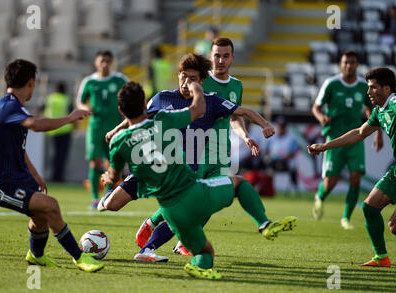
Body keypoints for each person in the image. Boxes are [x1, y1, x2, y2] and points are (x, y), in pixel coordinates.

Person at [101, 53, 296, 262]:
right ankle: (135, 215)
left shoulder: (210, 102)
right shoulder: (162, 98)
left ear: (202, 81)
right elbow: (137, 118)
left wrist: (264, 125)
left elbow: (244, 112)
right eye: (183, 76)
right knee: (111, 205)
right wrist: (116, 129)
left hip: (186, 171)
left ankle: (149, 247)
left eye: (192, 78)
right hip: (153, 168)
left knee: (183, 210)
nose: (186, 82)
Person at [0, 59, 103, 272]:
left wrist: (35, 174)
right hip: (1, 185)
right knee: (51, 206)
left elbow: (18, 148)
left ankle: (36, 256)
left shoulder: (11, 106)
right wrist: (70, 118)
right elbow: (37, 125)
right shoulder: (9, 105)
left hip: (17, 178)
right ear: (31, 83)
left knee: (40, 216)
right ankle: (80, 257)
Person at [308, 67, 396, 268]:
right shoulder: (379, 111)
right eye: (367, 87)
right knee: (372, 209)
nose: (368, 92)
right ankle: (382, 257)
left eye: (373, 87)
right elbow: (358, 133)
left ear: (386, 88)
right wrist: (325, 146)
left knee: (394, 226)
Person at [311, 50, 383, 230]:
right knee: (330, 182)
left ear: (357, 64)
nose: (349, 65)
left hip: (355, 137)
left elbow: (371, 111)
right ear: (340, 64)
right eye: (345, 62)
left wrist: (378, 133)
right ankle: (320, 197)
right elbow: (316, 107)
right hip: (334, 137)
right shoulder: (331, 83)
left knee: (355, 178)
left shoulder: (362, 86)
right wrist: (321, 118)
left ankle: (346, 218)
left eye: (352, 62)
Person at [77, 50, 129, 209]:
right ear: (96, 62)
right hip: (95, 128)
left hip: (115, 128)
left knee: (112, 163)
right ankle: (94, 198)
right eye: (102, 61)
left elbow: (132, 96)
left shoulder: (120, 80)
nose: (105, 64)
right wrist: (85, 108)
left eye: (108, 60)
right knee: (94, 162)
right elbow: (79, 102)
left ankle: (107, 195)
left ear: (112, 62)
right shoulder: (89, 81)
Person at [42, 82, 73, 182]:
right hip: (65, 130)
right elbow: (72, 114)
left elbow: (41, 108)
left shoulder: (50, 98)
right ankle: (59, 177)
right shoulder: (67, 99)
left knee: (54, 155)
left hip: (52, 130)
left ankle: (53, 176)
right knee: (62, 155)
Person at [264, 116, 299, 193]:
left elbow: (293, 153)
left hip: (286, 161)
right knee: (267, 166)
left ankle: (294, 190)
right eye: (280, 126)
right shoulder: (272, 137)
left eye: (283, 126)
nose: (281, 128)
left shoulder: (291, 138)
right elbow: (267, 150)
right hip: (273, 161)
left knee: (292, 166)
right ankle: (268, 189)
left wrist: (283, 159)